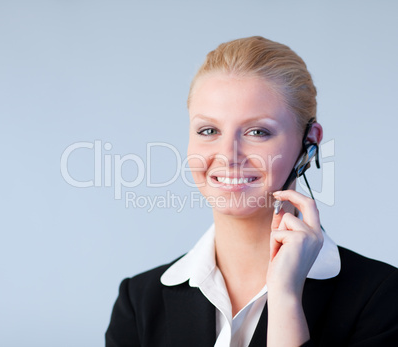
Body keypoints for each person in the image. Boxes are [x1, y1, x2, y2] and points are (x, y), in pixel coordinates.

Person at [105, 36, 398, 346]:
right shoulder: (138, 302)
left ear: (309, 140)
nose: (228, 155)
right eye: (209, 131)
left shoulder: (381, 299)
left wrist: (285, 301)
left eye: (258, 132)